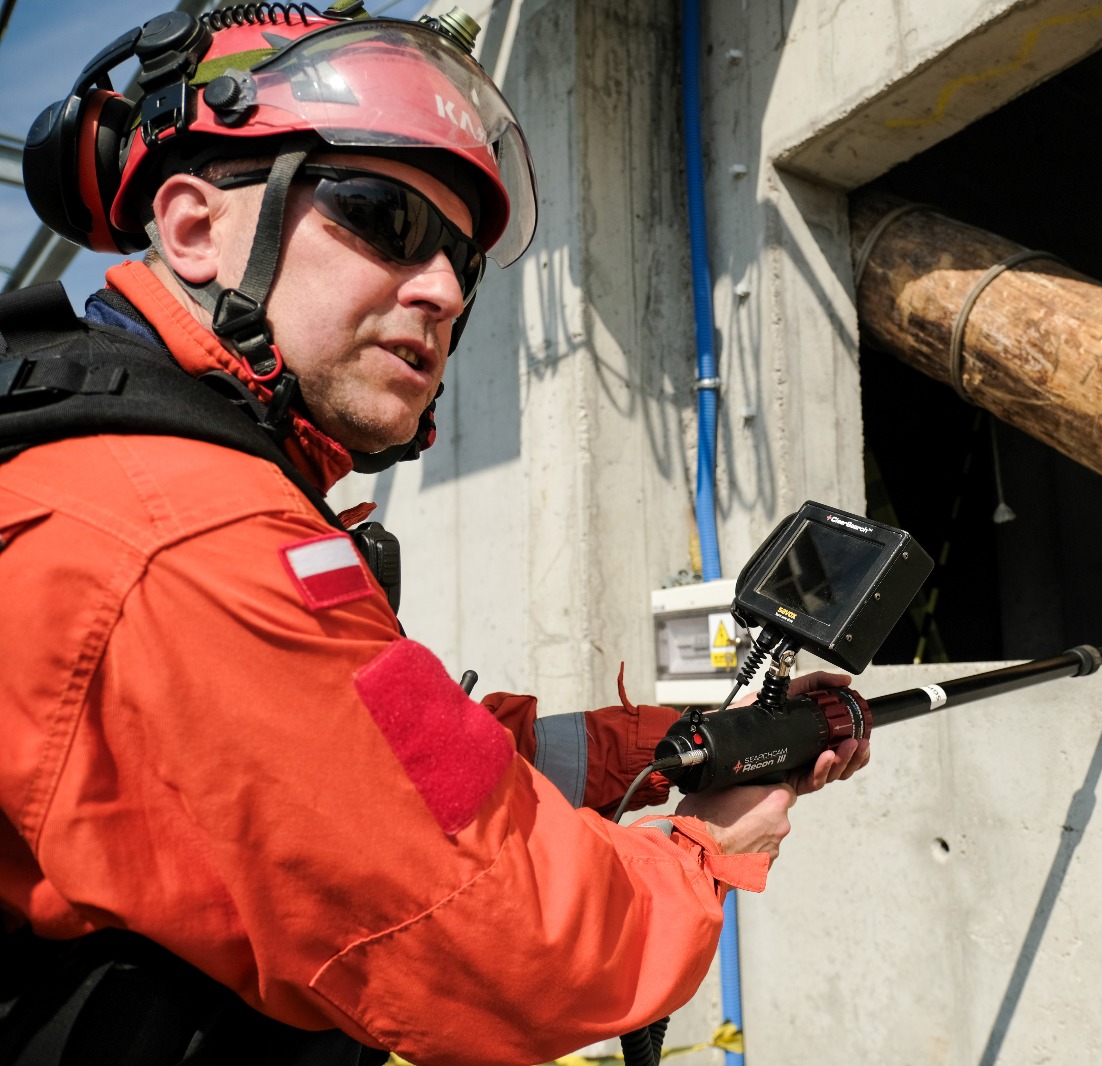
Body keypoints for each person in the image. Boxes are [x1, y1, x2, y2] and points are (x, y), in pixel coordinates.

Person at [0, 6, 866, 1065]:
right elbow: (515, 945)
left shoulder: (130, 454)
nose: (447, 290)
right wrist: (711, 844)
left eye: (463, 258)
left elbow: (405, 764)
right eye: (384, 217)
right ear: (192, 230)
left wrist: (674, 743)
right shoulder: (189, 537)